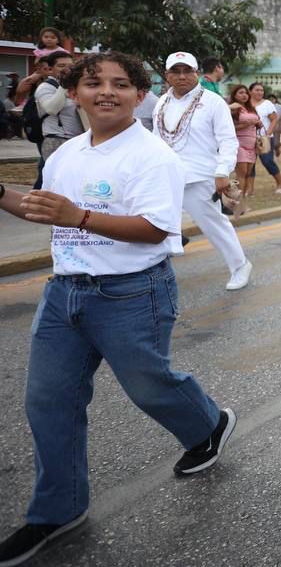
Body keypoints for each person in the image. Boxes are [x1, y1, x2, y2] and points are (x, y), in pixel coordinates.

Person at [0, 52, 236, 567]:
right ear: (76, 92)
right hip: (65, 293)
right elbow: (44, 207)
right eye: (94, 83)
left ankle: (207, 425)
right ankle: (56, 510)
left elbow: (157, 228)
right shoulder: (66, 155)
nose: (107, 91)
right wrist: (2, 192)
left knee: (149, 386)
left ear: (138, 94)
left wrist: (79, 216)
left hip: (132, 292)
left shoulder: (153, 156)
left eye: (121, 84)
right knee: (48, 401)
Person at [152, 52, 253, 291]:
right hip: (167, 175)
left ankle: (240, 266)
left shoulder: (212, 101)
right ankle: (156, 277)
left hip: (200, 175)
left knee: (214, 224)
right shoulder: (161, 103)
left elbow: (228, 140)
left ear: (197, 73)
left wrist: (222, 171)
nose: (182, 76)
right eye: (175, 71)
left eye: (187, 71)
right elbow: (156, 140)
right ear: (167, 75)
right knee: (158, 225)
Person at [34, 51, 84, 161]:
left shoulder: (76, 86)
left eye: (71, 66)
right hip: (57, 140)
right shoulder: (45, 88)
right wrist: (64, 85)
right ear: (50, 69)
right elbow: (51, 109)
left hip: (79, 140)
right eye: (61, 66)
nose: (67, 69)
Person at [227, 84, 262, 213]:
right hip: (239, 144)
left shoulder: (250, 109)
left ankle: (242, 202)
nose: (244, 95)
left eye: (246, 93)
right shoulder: (233, 109)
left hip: (252, 145)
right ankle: (238, 204)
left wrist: (257, 123)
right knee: (241, 175)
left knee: (247, 175)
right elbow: (231, 128)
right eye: (240, 92)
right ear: (235, 95)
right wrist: (249, 123)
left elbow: (257, 122)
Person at [247, 82, 281, 195]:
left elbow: (274, 119)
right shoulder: (246, 104)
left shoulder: (267, 104)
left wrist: (268, 134)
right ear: (250, 91)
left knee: (268, 161)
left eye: (261, 90)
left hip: (264, 138)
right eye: (257, 90)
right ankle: (250, 189)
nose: (260, 92)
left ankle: (280, 184)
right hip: (249, 138)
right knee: (250, 164)